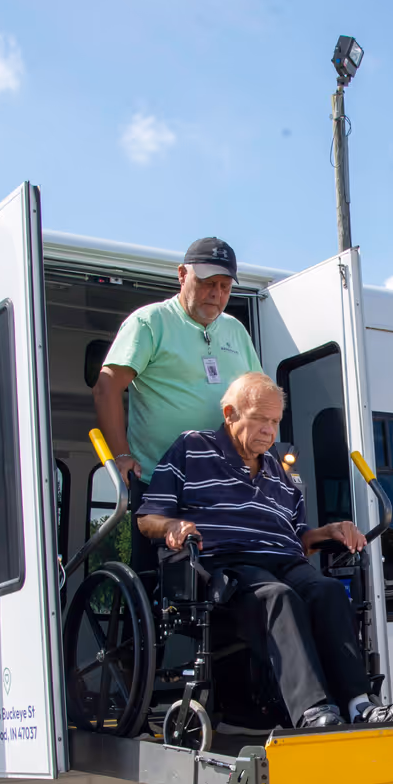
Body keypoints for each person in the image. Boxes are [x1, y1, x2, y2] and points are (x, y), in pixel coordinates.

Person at [137, 371, 393, 729]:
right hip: (224, 562)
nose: (270, 431)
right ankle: (313, 712)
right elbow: (147, 518)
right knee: (277, 597)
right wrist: (173, 526)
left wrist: (328, 531)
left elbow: (299, 538)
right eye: (260, 420)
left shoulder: (280, 472)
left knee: (328, 591)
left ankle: (359, 704)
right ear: (230, 414)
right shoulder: (192, 448)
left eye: (275, 422)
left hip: (284, 559)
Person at [91, 236, 263, 567]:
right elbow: (106, 388)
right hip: (160, 480)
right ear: (182, 275)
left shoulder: (236, 332)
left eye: (225, 286)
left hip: (222, 482)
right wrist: (121, 455)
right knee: (161, 586)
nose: (216, 294)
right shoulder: (150, 321)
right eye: (207, 283)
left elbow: (260, 400)